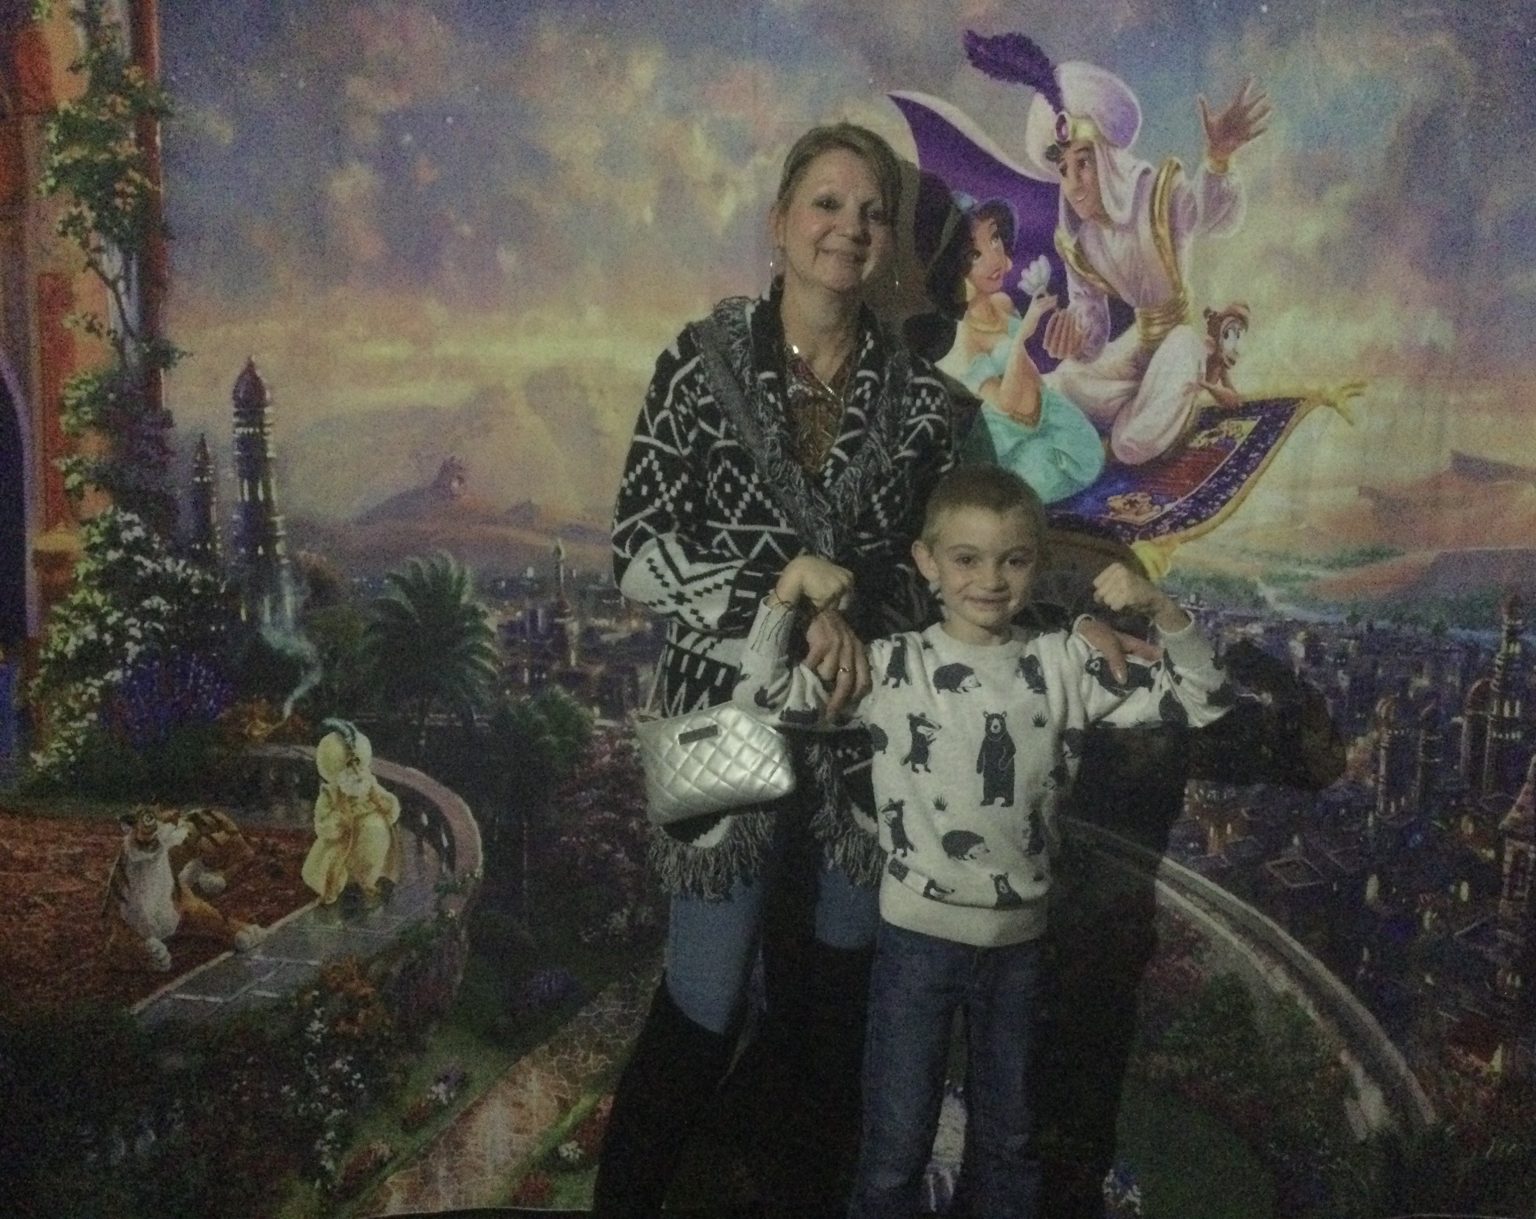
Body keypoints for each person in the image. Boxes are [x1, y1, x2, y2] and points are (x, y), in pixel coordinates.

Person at [598, 121, 954, 1218]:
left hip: (860, 739)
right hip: (721, 722)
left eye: (873, 211)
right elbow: (638, 550)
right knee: (704, 1001)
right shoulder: (698, 367)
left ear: (889, 244)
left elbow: (933, 574)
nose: (850, 228)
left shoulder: (924, 404)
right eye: (828, 204)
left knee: (828, 1009)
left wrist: (856, 612)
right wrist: (783, 597)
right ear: (780, 223)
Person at [732, 464, 1234, 1219]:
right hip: (915, 947)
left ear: (1039, 563)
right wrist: (786, 591)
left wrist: (1162, 609)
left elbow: (1204, 699)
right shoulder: (894, 668)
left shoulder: (1065, 664)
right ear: (927, 562)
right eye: (966, 558)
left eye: (1014, 559)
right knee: (894, 1149)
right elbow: (761, 696)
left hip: (1020, 953)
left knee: (1010, 1145)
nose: (990, 580)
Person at [1017, 56, 1269, 464]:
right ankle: (1143, 409)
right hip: (1137, 349)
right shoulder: (1083, 242)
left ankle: (1152, 415)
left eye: (1083, 163)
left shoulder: (1158, 194)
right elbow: (1091, 321)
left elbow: (1215, 218)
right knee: (1060, 385)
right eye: (1064, 170)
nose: (1074, 184)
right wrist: (1077, 339)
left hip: (1179, 343)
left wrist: (1219, 159)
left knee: (1131, 444)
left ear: (1107, 159)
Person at [938, 195, 1104, 503]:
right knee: (1031, 484)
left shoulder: (1002, 303)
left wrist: (1052, 397)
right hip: (1011, 441)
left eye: (995, 239)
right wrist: (1021, 337)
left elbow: (1029, 367)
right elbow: (1004, 402)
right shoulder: (962, 338)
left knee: (1089, 454)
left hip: (1046, 412)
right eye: (975, 253)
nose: (994, 258)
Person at [300, 719, 402, 906]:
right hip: (343, 841)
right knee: (335, 865)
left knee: (374, 845)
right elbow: (323, 823)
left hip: (373, 837)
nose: (354, 770)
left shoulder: (368, 782)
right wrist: (339, 820)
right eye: (348, 765)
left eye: (357, 763)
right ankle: (348, 886)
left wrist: (382, 803)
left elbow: (389, 805)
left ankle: (369, 881)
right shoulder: (330, 793)